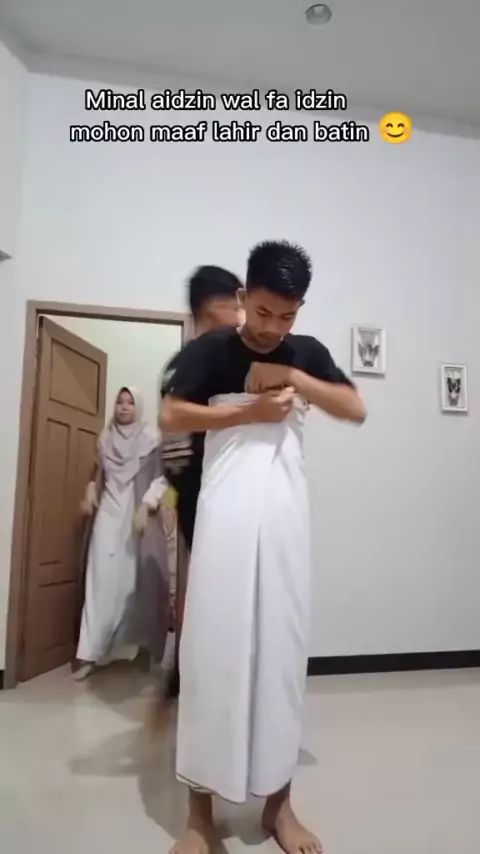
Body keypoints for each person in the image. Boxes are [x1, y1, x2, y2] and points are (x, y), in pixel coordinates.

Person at [160, 241, 367, 854]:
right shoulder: (210, 350)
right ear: (243, 297)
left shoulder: (306, 352)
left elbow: (354, 407)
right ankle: (199, 817)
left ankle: (279, 807)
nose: (273, 327)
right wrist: (249, 413)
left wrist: (294, 377)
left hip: (283, 520)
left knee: (280, 655)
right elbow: (171, 416)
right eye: (264, 312)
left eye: (288, 316)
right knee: (211, 656)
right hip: (222, 517)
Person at [159, 265, 243, 698]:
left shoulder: (181, 362)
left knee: (207, 586)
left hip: (193, 489)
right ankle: (201, 677)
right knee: (219, 589)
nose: (241, 317)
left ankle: (191, 673)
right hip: (208, 490)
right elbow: (173, 424)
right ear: (218, 308)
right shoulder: (208, 354)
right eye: (237, 306)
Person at [74, 386, 170, 681]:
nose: (124, 406)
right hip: (108, 513)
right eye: (120, 401)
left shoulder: (151, 439)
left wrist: (147, 505)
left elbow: (162, 477)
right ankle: (89, 653)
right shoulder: (105, 439)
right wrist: (90, 488)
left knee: (133, 583)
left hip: (136, 516)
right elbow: (97, 472)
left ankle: (139, 648)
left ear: (137, 407)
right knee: (99, 579)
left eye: (130, 402)